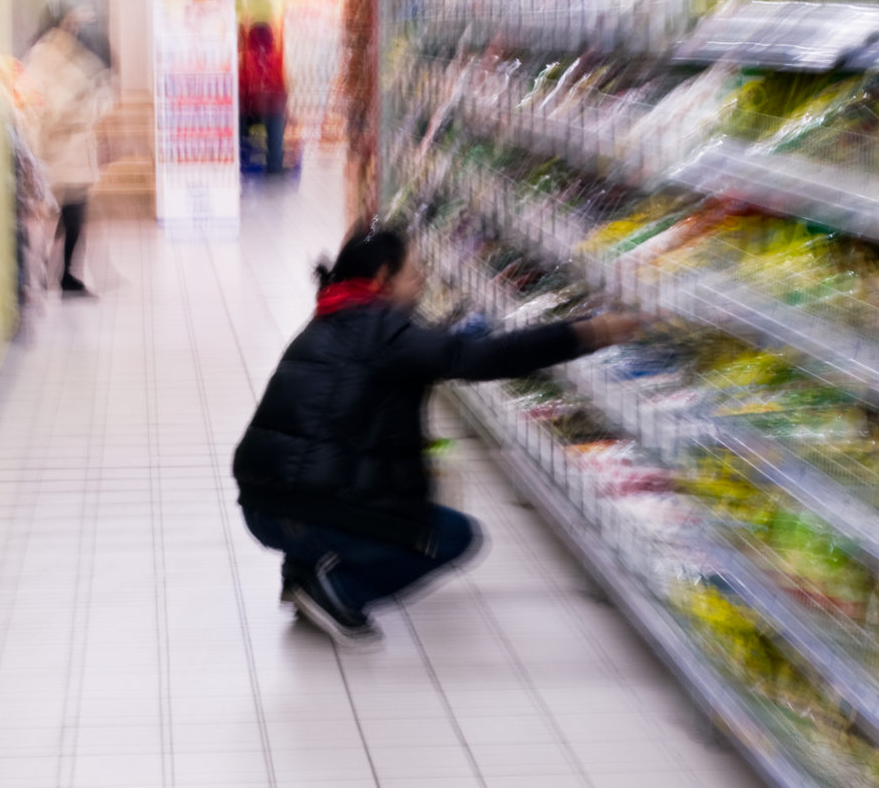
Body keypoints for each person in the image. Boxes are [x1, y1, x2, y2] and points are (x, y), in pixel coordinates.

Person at [232, 226, 641, 647]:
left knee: (322, 480)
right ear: (382, 281)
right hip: (304, 508)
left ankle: (301, 572)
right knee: (451, 535)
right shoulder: (385, 334)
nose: (423, 277)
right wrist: (587, 333)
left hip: (261, 505)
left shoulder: (326, 320)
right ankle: (338, 592)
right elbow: (480, 358)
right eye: (414, 270)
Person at [17, 0, 112, 296]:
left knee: (72, 217)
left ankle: (63, 275)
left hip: (74, 154)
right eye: (72, 21)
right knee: (59, 218)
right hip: (56, 155)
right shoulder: (43, 58)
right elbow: (45, 107)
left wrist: (93, 100)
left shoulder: (75, 55)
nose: (76, 27)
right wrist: (79, 100)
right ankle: (52, 273)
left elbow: (96, 94)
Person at [238, 22, 287, 175]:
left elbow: (241, 85)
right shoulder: (276, 57)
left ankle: (242, 161)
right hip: (271, 110)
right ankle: (274, 166)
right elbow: (281, 86)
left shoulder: (245, 57)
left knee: (239, 126)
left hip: (248, 111)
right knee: (276, 124)